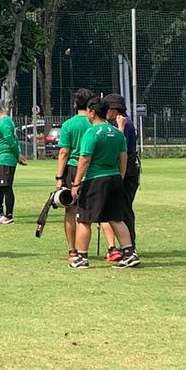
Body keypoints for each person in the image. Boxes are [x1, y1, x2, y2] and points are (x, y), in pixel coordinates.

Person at [69, 97, 139, 269]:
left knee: (84, 219)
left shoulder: (91, 133)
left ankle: (81, 258)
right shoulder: (117, 132)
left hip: (95, 179)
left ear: (92, 112)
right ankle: (129, 253)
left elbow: (85, 159)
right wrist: (120, 177)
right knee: (116, 218)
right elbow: (123, 157)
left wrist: (76, 183)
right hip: (115, 178)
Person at [53, 89, 95, 260]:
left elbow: (64, 152)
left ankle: (73, 250)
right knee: (94, 212)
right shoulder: (96, 122)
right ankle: (111, 248)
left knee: (71, 211)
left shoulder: (69, 125)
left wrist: (59, 177)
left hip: (72, 168)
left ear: (75, 104)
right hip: (93, 169)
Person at [99, 93, 141, 260]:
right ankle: (126, 245)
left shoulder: (124, 123)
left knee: (124, 209)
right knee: (121, 209)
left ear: (114, 110)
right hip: (127, 169)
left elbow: (119, 146)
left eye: (107, 109)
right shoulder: (120, 122)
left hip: (128, 170)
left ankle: (130, 247)